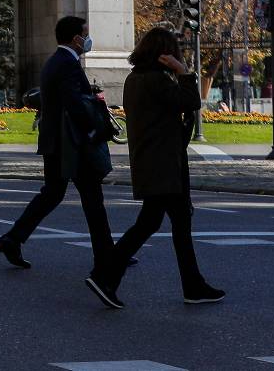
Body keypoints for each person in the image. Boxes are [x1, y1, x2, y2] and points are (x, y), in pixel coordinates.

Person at [86, 27, 225, 310]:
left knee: (173, 222)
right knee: (152, 222)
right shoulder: (156, 80)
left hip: (154, 161)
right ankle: (105, 275)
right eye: (173, 51)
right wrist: (184, 72)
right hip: (164, 164)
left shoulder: (135, 79)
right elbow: (191, 102)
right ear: (164, 54)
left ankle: (192, 284)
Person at [0, 15, 114, 275]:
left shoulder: (55, 62)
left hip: (55, 141)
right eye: (85, 33)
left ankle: (13, 238)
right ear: (76, 38)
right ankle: (107, 256)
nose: (88, 39)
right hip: (72, 145)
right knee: (92, 199)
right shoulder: (68, 65)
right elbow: (74, 104)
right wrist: (94, 127)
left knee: (53, 194)